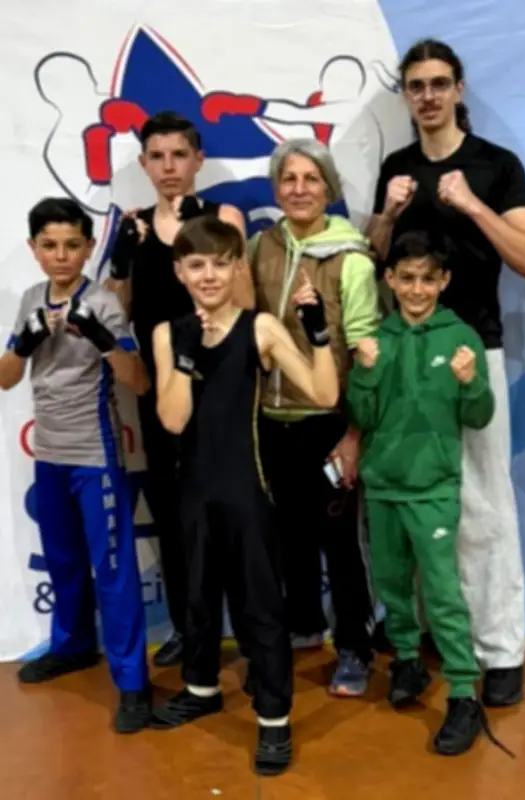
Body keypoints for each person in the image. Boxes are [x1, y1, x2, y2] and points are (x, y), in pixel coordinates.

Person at [366, 39, 525, 707]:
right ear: (405, 95)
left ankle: (499, 651)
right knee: (413, 507)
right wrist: (386, 213)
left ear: (459, 89)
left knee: (483, 509)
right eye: (415, 85)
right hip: (401, 360)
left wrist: (472, 206)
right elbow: (371, 263)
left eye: (438, 83)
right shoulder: (396, 167)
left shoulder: (494, 167)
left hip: (475, 352)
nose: (428, 95)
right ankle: (430, 647)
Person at [149, 214, 340, 775]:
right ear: (180, 271)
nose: (209, 275)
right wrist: (184, 355)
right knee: (198, 599)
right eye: (196, 265)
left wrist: (319, 333)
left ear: (237, 266)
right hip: (194, 489)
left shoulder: (259, 328)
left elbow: (325, 393)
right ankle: (203, 688)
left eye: (219, 263)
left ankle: (274, 720)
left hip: (247, 488)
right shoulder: (168, 333)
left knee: (259, 605)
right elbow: (173, 419)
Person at [105, 111, 253, 668]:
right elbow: (117, 314)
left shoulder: (224, 216)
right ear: (144, 164)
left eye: (178, 155)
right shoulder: (133, 223)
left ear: (196, 160)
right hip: (162, 387)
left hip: (220, 388)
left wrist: (199, 239)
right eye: (157, 157)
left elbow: (249, 303)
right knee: (173, 512)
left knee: (229, 508)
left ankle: (242, 626)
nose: (168, 167)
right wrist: (122, 258)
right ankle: (192, 629)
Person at [0, 198, 151, 733]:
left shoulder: (105, 303)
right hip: (50, 454)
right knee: (63, 560)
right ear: (34, 250)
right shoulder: (29, 299)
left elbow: (138, 381)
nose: (61, 256)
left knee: (112, 570)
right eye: (50, 245)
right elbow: (5, 377)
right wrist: (24, 340)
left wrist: (105, 340)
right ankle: (73, 646)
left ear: (88, 248)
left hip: (95, 455)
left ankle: (133, 683)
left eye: (72, 245)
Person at [347, 230, 494, 755]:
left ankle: (461, 692)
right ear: (389, 280)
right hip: (383, 486)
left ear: (443, 281)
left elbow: (479, 416)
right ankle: (407, 659)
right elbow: (361, 415)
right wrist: (363, 374)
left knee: (441, 590)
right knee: (390, 581)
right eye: (405, 278)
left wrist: (472, 380)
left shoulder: (461, 338)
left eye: (427, 279)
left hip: (433, 488)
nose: (416, 289)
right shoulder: (376, 341)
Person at [249, 138, 378, 696]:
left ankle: (354, 646)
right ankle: (303, 626)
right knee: (283, 535)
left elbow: (367, 354)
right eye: (289, 179)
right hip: (268, 420)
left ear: (328, 187)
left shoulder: (351, 259)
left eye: (311, 178)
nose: (299, 189)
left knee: (339, 541)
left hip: (327, 423)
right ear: (276, 188)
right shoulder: (260, 245)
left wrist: (353, 433)